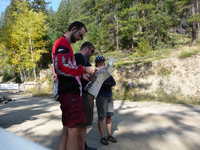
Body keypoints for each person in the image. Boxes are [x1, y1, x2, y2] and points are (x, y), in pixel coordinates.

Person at [52, 21, 94, 150]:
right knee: (73, 131)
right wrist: (83, 70)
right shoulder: (62, 43)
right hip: (70, 94)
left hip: (69, 93)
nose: (80, 39)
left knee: (67, 130)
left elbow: (68, 68)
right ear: (74, 29)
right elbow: (61, 67)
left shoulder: (65, 45)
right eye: (80, 35)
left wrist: (81, 75)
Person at [75, 42, 96, 150]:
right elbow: (77, 73)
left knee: (84, 123)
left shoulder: (83, 58)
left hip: (85, 93)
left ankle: (83, 145)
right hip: (82, 94)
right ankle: (81, 146)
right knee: (81, 123)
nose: (92, 54)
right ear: (87, 48)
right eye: (92, 51)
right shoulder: (79, 56)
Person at [95, 56, 117, 145]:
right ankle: (103, 137)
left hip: (109, 96)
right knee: (102, 117)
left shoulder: (107, 72)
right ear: (96, 64)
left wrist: (106, 82)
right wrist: (105, 82)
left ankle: (109, 135)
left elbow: (113, 82)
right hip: (101, 97)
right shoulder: (96, 72)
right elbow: (98, 84)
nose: (102, 64)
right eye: (100, 63)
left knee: (109, 116)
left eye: (103, 62)